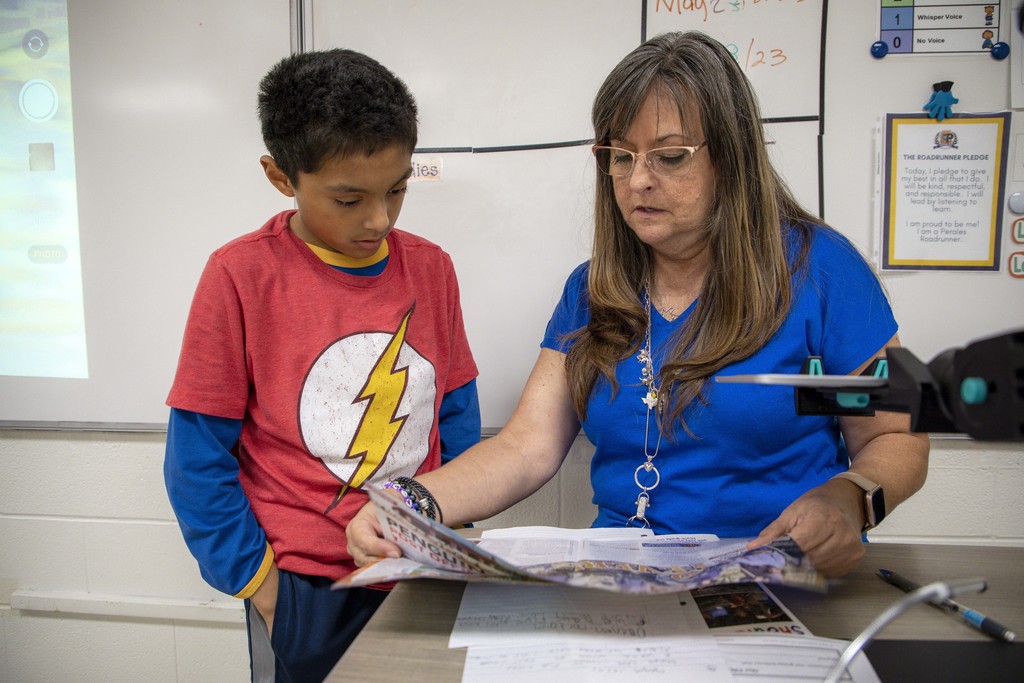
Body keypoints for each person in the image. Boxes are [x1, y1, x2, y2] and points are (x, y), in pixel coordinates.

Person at [347, 31, 928, 579]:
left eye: (669, 157)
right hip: (624, 582)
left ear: (731, 157)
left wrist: (853, 498)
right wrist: (409, 502)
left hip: (778, 576)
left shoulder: (821, 269)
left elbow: (897, 436)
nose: (637, 180)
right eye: (620, 156)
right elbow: (525, 449)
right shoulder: (592, 289)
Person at [163, 49, 480, 683]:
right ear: (281, 176)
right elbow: (196, 459)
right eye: (349, 198)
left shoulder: (431, 268)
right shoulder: (240, 276)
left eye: (397, 190)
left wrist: (454, 531)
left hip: (422, 571)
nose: (380, 218)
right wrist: (264, 587)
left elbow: (457, 417)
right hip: (306, 588)